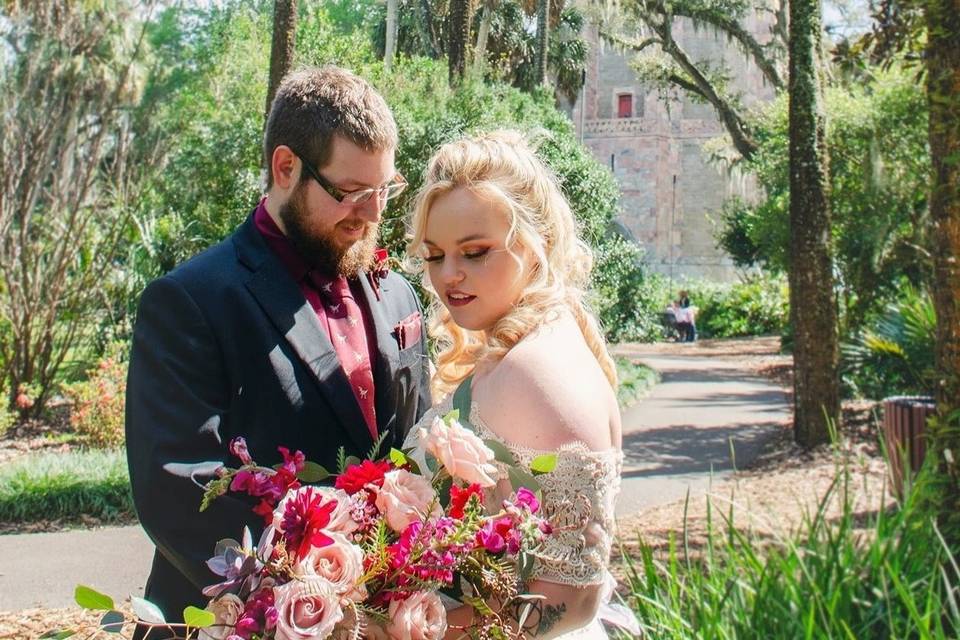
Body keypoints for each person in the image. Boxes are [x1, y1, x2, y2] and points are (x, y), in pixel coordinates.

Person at [124, 66, 432, 629]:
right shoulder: (191, 301)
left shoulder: (396, 292)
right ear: (286, 167)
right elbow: (176, 488)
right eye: (352, 193)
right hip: (239, 618)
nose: (373, 214)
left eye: (385, 189)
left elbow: (418, 442)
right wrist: (305, 599)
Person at [403, 131, 639, 639]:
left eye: (475, 251)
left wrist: (417, 632)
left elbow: (571, 599)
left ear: (536, 244)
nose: (450, 275)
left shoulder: (537, 368)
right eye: (435, 254)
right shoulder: (529, 346)